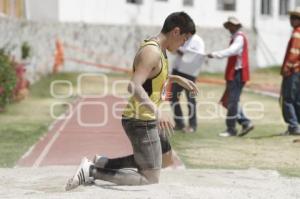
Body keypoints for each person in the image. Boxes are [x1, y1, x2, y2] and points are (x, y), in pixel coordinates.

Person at [65, 12, 198, 190]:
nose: (184, 44)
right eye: (185, 38)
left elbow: (154, 75)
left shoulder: (161, 49)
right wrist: (157, 112)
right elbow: (134, 86)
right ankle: (91, 171)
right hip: (140, 120)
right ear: (176, 31)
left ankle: (104, 163)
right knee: (149, 177)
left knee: (166, 158)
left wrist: (176, 79)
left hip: (147, 116)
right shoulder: (152, 51)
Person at [207, 16, 254, 137]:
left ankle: (231, 128)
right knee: (230, 101)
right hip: (234, 74)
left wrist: (215, 54)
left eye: (232, 25)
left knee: (231, 102)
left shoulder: (239, 38)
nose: (230, 27)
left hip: (237, 74)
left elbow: (231, 51)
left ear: (237, 26)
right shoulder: (236, 37)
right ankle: (245, 122)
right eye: (229, 25)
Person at [170, 34, 205, 133]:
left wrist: (179, 50)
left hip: (189, 73)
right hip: (178, 71)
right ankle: (179, 123)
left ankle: (192, 125)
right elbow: (174, 51)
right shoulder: (182, 37)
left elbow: (195, 55)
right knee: (173, 98)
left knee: (190, 100)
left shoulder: (197, 41)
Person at [280, 7, 300, 136]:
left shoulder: (296, 33)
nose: (291, 20)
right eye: (291, 17)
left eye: (294, 18)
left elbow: (293, 53)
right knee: (297, 100)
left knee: (287, 99)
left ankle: (293, 125)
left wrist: (286, 68)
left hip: (293, 71)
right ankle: (296, 124)